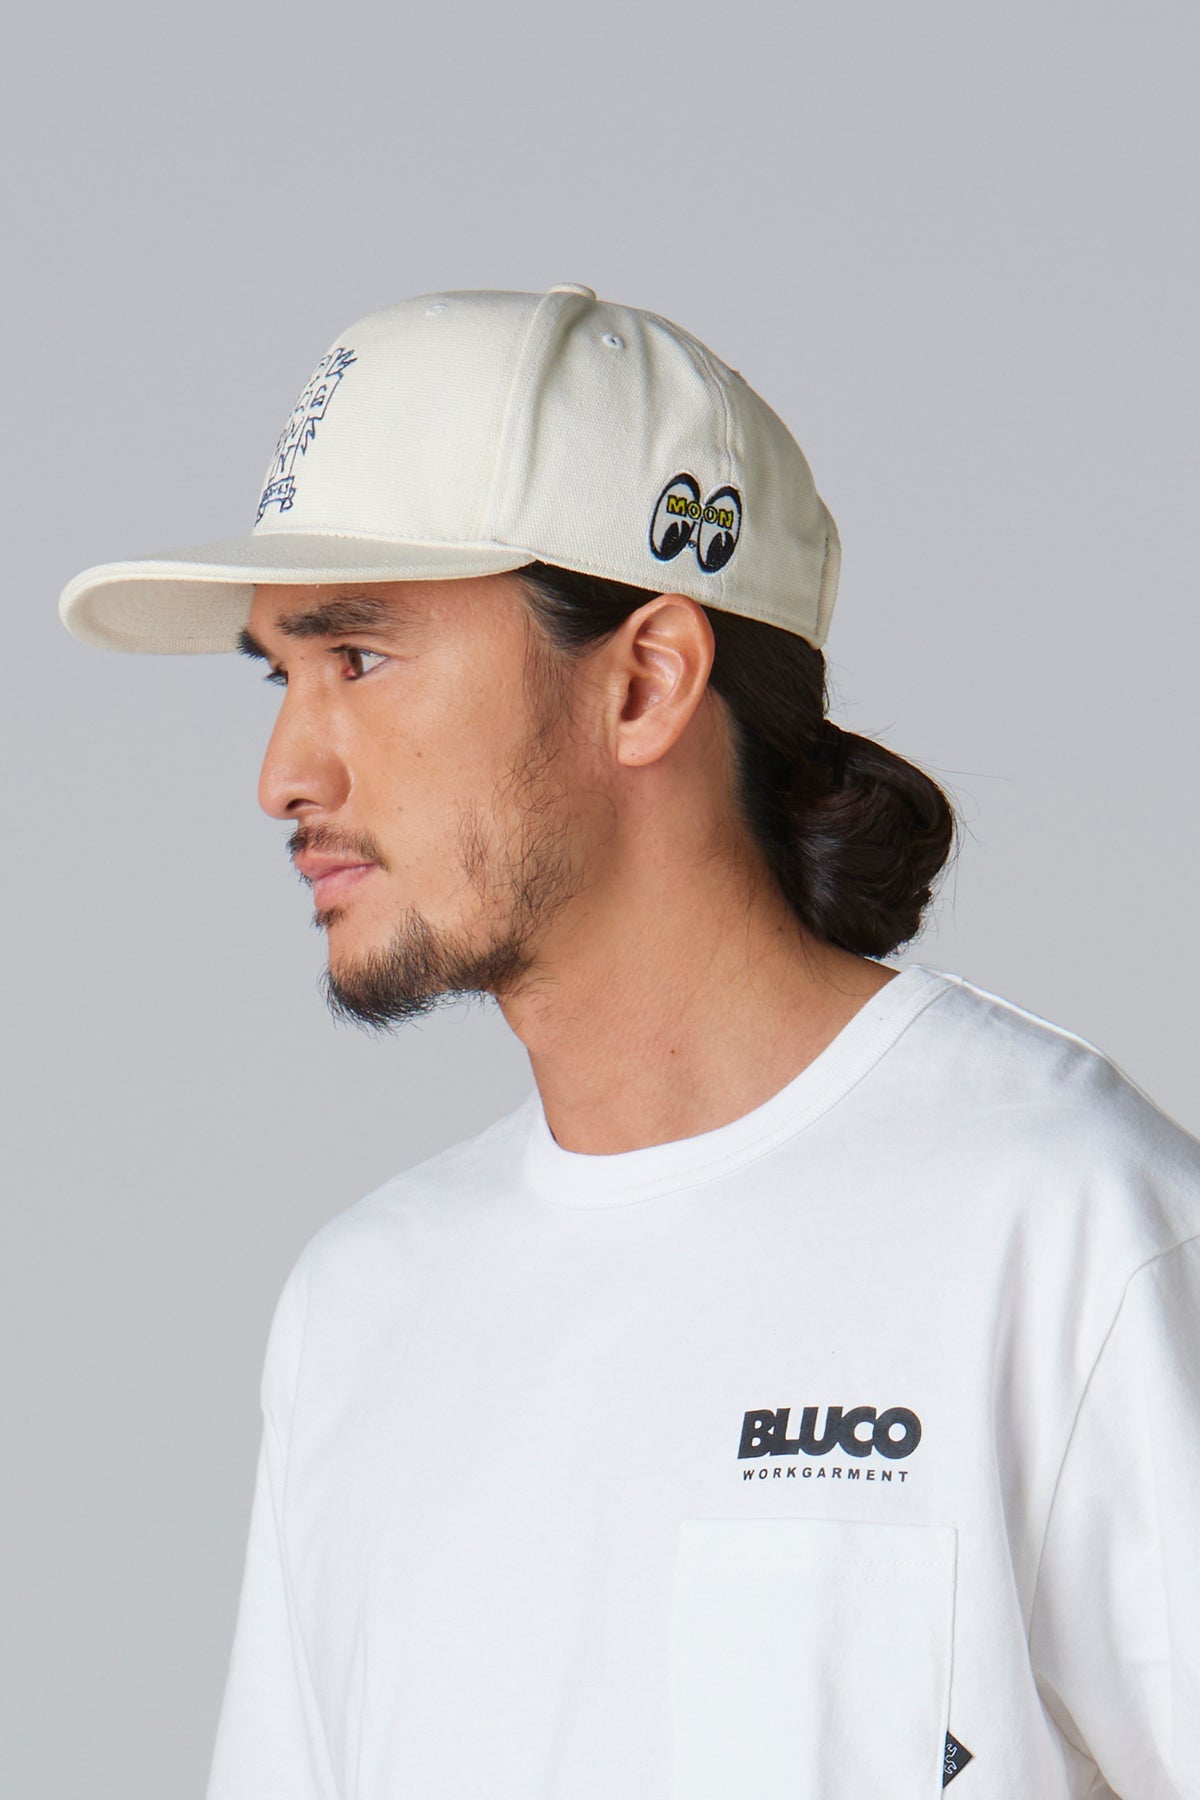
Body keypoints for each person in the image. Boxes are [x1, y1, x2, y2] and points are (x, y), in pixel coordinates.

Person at [59, 284, 1199, 1800]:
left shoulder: (1073, 1230)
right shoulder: (361, 1309)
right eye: (283, 676)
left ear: (647, 679)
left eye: (360, 660)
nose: (284, 772)